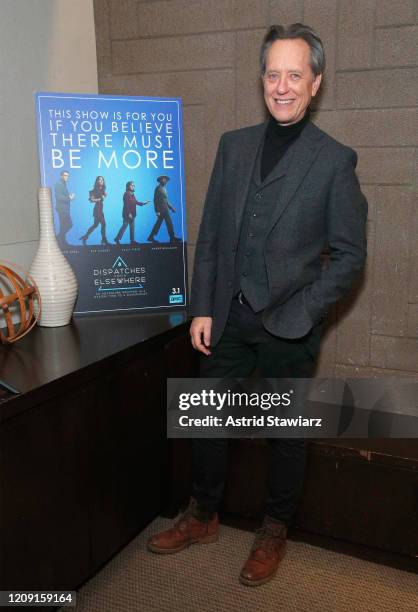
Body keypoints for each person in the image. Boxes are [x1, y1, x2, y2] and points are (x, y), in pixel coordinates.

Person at [147, 24, 368, 587]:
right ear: (262, 79)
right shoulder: (233, 145)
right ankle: (203, 514)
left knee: (285, 434)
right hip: (227, 316)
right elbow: (214, 232)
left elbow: (348, 256)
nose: (282, 86)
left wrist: (306, 310)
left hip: (288, 327)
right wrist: (202, 307)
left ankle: (274, 529)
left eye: (296, 75)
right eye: (273, 74)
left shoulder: (335, 161)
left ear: (315, 83)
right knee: (206, 421)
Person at [147, 175, 181, 243]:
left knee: (159, 223)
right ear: (160, 180)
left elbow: (166, 200)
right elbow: (155, 200)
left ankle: (151, 237)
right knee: (169, 222)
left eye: (166, 180)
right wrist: (157, 211)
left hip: (165, 209)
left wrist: (171, 207)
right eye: (164, 179)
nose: (165, 181)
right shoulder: (158, 188)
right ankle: (172, 237)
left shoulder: (164, 189)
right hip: (161, 210)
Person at [114, 181, 150, 245]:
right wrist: (129, 213)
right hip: (127, 214)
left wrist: (144, 203)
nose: (133, 186)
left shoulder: (132, 195)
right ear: (128, 186)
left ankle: (132, 241)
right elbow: (126, 204)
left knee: (132, 227)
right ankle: (117, 239)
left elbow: (136, 202)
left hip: (133, 214)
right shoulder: (126, 194)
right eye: (131, 185)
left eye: (134, 185)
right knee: (124, 226)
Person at [80, 176, 108, 245]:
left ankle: (85, 237)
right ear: (97, 181)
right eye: (99, 180)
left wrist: (104, 196)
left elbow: (103, 197)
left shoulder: (103, 190)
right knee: (103, 224)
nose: (101, 181)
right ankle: (103, 240)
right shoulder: (94, 190)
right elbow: (91, 200)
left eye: (102, 180)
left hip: (101, 209)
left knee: (95, 225)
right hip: (97, 209)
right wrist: (100, 199)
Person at [54, 170, 75, 247]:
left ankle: (62, 242)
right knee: (69, 224)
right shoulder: (59, 184)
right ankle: (58, 238)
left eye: (67, 176)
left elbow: (62, 195)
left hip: (64, 209)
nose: (67, 177)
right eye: (65, 175)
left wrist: (69, 196)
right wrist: (69, 197)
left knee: (63, 226)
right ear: (61, 176)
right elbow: (59, 197)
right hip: (62, 209)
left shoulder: (63, 184)